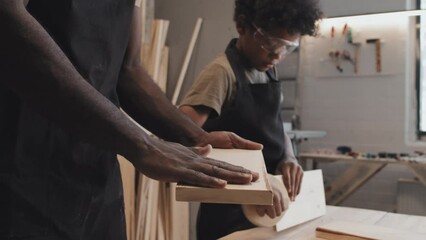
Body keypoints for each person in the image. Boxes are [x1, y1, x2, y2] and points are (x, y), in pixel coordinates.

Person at [0, 1, 264, 239]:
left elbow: (128, 69)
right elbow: (8, 22)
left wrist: (195, 136)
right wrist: (143, 144)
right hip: (22, 169)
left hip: (96, 175)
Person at [179, 0, 323, 239]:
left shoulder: (268, 70)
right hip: (228, 216)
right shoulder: (221, 73)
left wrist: (288, 157)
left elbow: (277, 127)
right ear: (242, 26)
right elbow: (182, 136)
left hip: (269, 211)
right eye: (271, 42)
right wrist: (256, 186)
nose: (277, 54)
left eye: (288, 47)